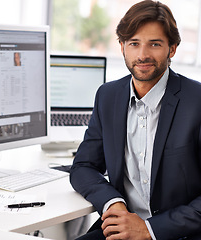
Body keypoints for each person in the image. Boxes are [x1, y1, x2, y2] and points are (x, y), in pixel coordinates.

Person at [70, 0, 201, 239]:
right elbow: (84, 166)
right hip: (123, 229)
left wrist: (150, 229)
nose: (143, 55)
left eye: (154, 44)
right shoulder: (108, 96)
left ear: (172, 49)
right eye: (134, 44)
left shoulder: (197, 101)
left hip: (180, 232)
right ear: (122, 47)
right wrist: (112, 202)